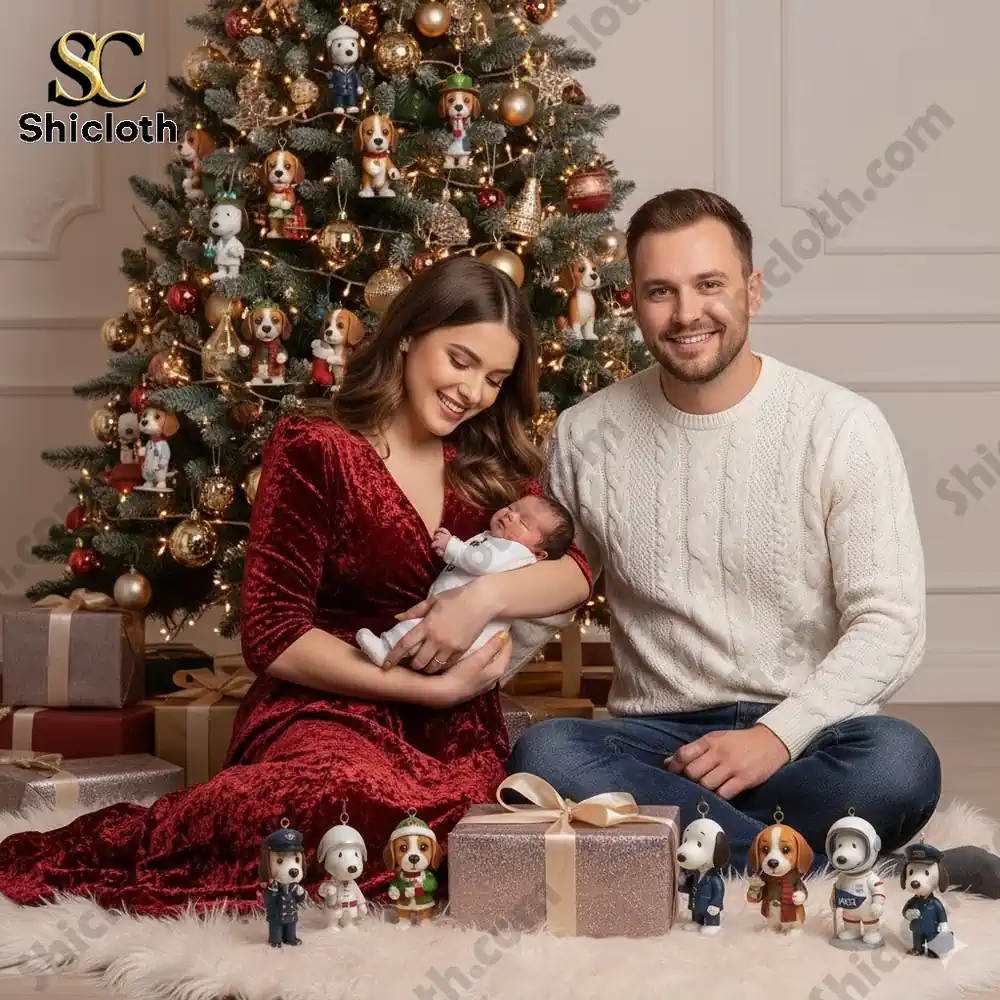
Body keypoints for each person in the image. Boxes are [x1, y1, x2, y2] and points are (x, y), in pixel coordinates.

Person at [0, 257, 592, 916]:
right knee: (330, 804)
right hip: (323, 704)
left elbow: (577, 574)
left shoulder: (490, 469)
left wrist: (481, 598)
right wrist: (427, 685)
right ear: (408, 335)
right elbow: (274, 635)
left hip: (449, 730)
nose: (474, 391)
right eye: (460, 360)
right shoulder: (315, 446)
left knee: (445, 833)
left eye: (495, 378)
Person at [510, 188, 1000, 895]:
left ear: (753, 289)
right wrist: (448, 666)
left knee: (899, 762)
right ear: (633, 302)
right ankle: (828, 865)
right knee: (545, 751)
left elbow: (890, 626)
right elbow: (548, 591)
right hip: (660, 740)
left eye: (710, 285)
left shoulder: (840, 427)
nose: (686, 314)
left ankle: (692, 843)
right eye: (660, 291)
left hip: (809, 735)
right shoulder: (590, 435)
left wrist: (775, 737)